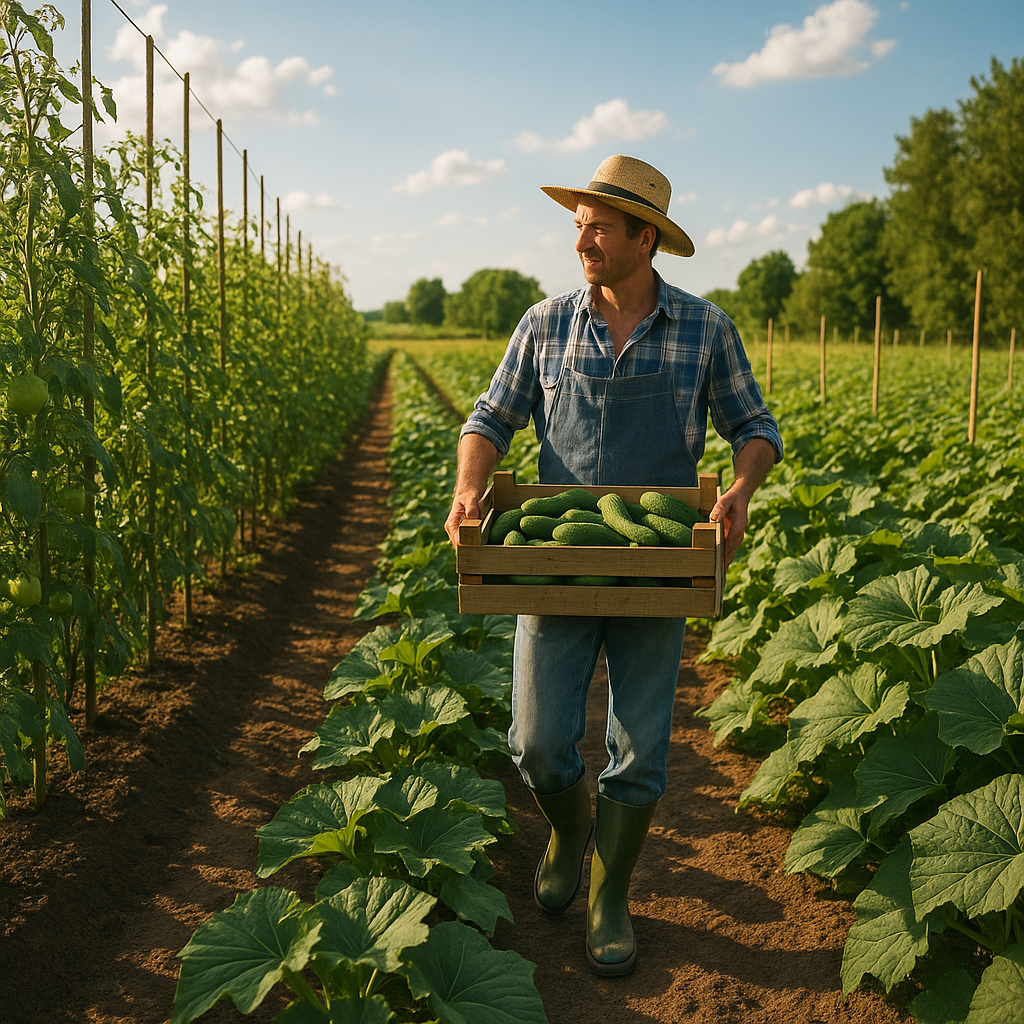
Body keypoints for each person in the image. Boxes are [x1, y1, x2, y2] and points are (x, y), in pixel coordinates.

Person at [444, 155, 783, 976]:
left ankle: (610, 892)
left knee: (642, 751)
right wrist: (467, 486)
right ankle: (568, 829)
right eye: (579, 223)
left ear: (646, 237)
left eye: (599, 224)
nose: (582, 237)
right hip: (556, 561)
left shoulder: (706, 327)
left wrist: (740, 487)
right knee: (535, 743)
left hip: (658, 566)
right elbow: (492, 414)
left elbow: (755, 427)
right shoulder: (545, 322)